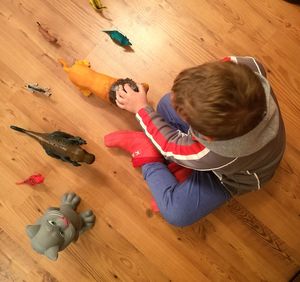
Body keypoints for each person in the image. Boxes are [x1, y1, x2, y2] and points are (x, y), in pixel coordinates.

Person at [104, 56, 286, 227]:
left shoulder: (213, 153)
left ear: (207, 138)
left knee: (177, 213)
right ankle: (178, 160)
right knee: (167, 103)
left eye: (185, 115)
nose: (175, 99)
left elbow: (168, 146)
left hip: (231, 177)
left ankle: (146, 151)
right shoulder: (249, 66)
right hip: (230, 148)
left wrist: (141, 109)